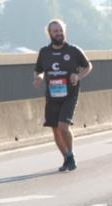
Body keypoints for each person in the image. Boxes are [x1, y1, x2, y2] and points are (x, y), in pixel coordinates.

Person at [32, 19, 92, 171]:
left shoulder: (73, 50)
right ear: (49, 34)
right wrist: (38, 77)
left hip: (69, 94)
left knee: (63, 126)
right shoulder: (44, 52)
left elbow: (88, 66)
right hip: (52, 95)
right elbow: (38, 70)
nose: (58, 33)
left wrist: (78, 77)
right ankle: (66, 158)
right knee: (55, 129)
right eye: (55, 31)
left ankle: (70, 155)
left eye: (60, 30)